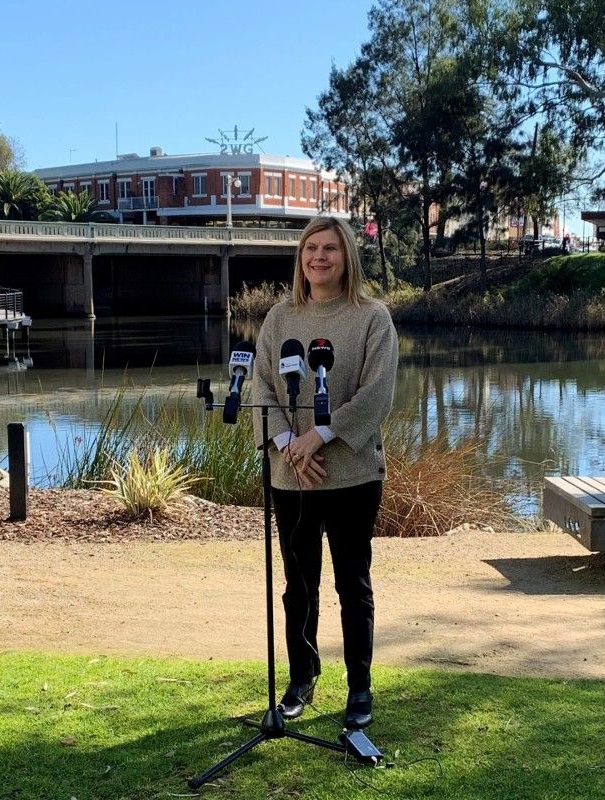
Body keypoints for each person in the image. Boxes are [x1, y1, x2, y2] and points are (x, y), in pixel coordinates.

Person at [252, 216, 399, 730]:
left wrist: (323, 434)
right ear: (301, 258)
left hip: (353, 476)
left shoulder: (373, 318)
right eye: (311, 248)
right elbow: (261, 389)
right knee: (298, 585)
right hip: (292, 476)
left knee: (352, 584)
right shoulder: (278, 319)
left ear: (346, 257)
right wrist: (291, 442)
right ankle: (301, 680)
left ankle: (359, 688)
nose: (319, 257)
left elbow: (377, 394)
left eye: (329, 248)